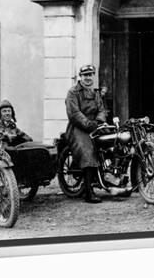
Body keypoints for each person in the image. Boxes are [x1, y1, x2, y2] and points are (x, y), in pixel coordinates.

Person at [65, 64, 107, 203]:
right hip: (78, 127)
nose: (88, 78)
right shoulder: (73, 92)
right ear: (80, 77)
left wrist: (99, 121)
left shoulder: (95, 94)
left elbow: (102, 109)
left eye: (90, 75)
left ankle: (113, 179)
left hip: (94, 125)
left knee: (113, 142)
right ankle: (88, 192)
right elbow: (74, 113)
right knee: (87, 150)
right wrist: (89, 124)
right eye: (85, 75)